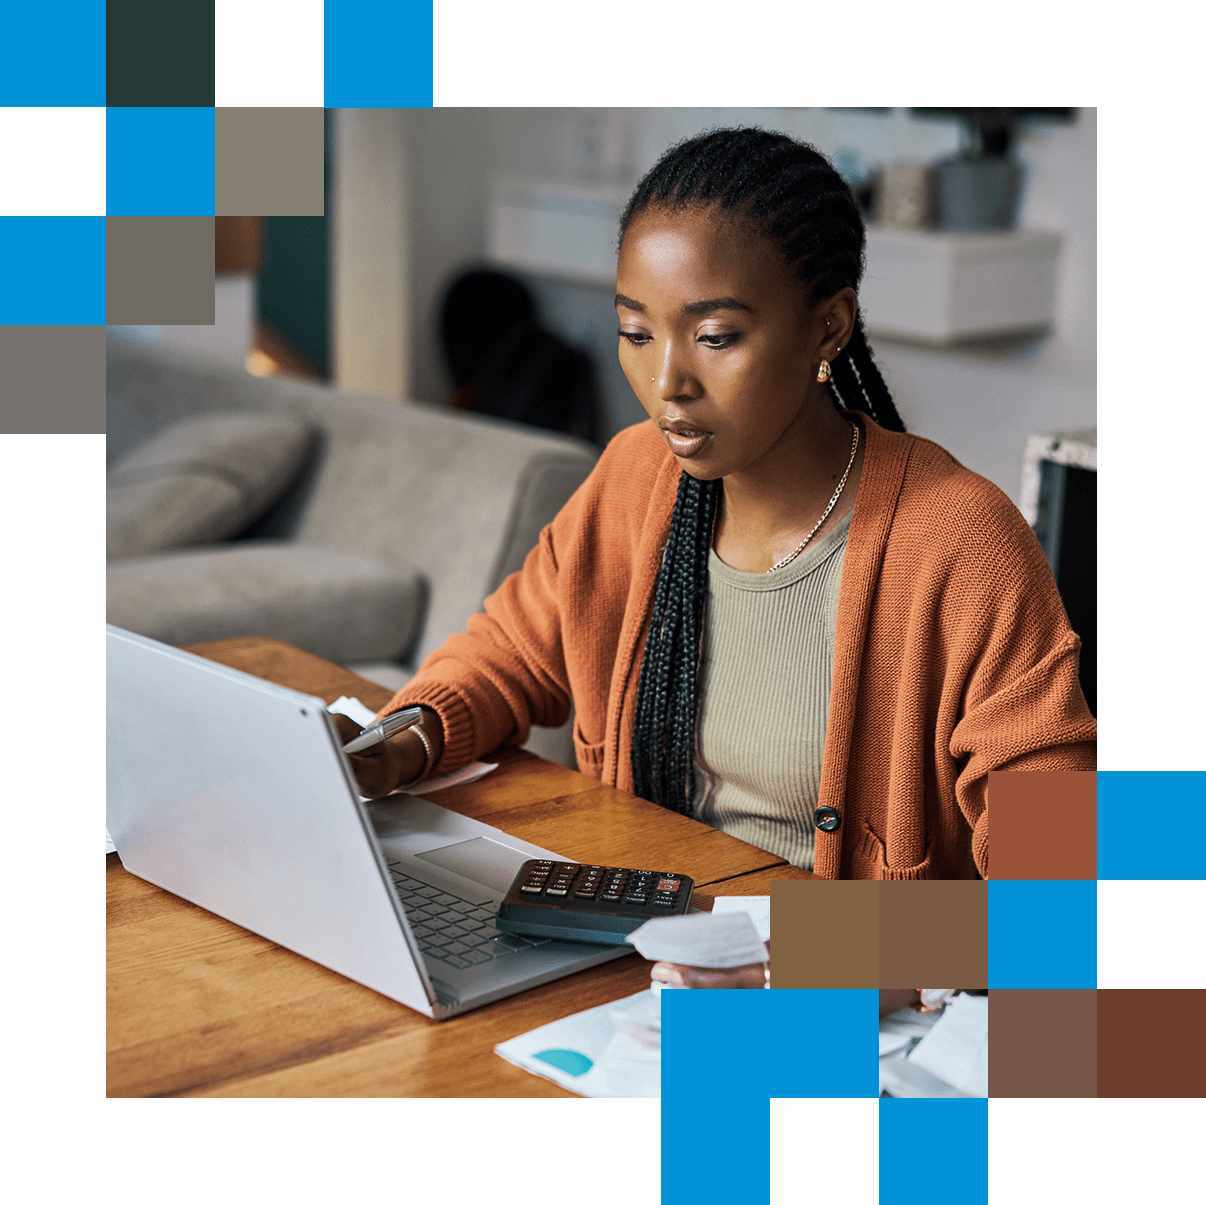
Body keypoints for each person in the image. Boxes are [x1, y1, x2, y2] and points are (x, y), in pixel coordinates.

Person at [335, 128, 1096, 988]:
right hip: (640, 965)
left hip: (847, 1002)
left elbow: (1071, 907)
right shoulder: (636, 477)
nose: (668, 382)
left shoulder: (961, 542)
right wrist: (400, 739)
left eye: (717, 335)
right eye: (635, 332)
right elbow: (509, 650)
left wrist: (807, 956)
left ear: (828, 326)